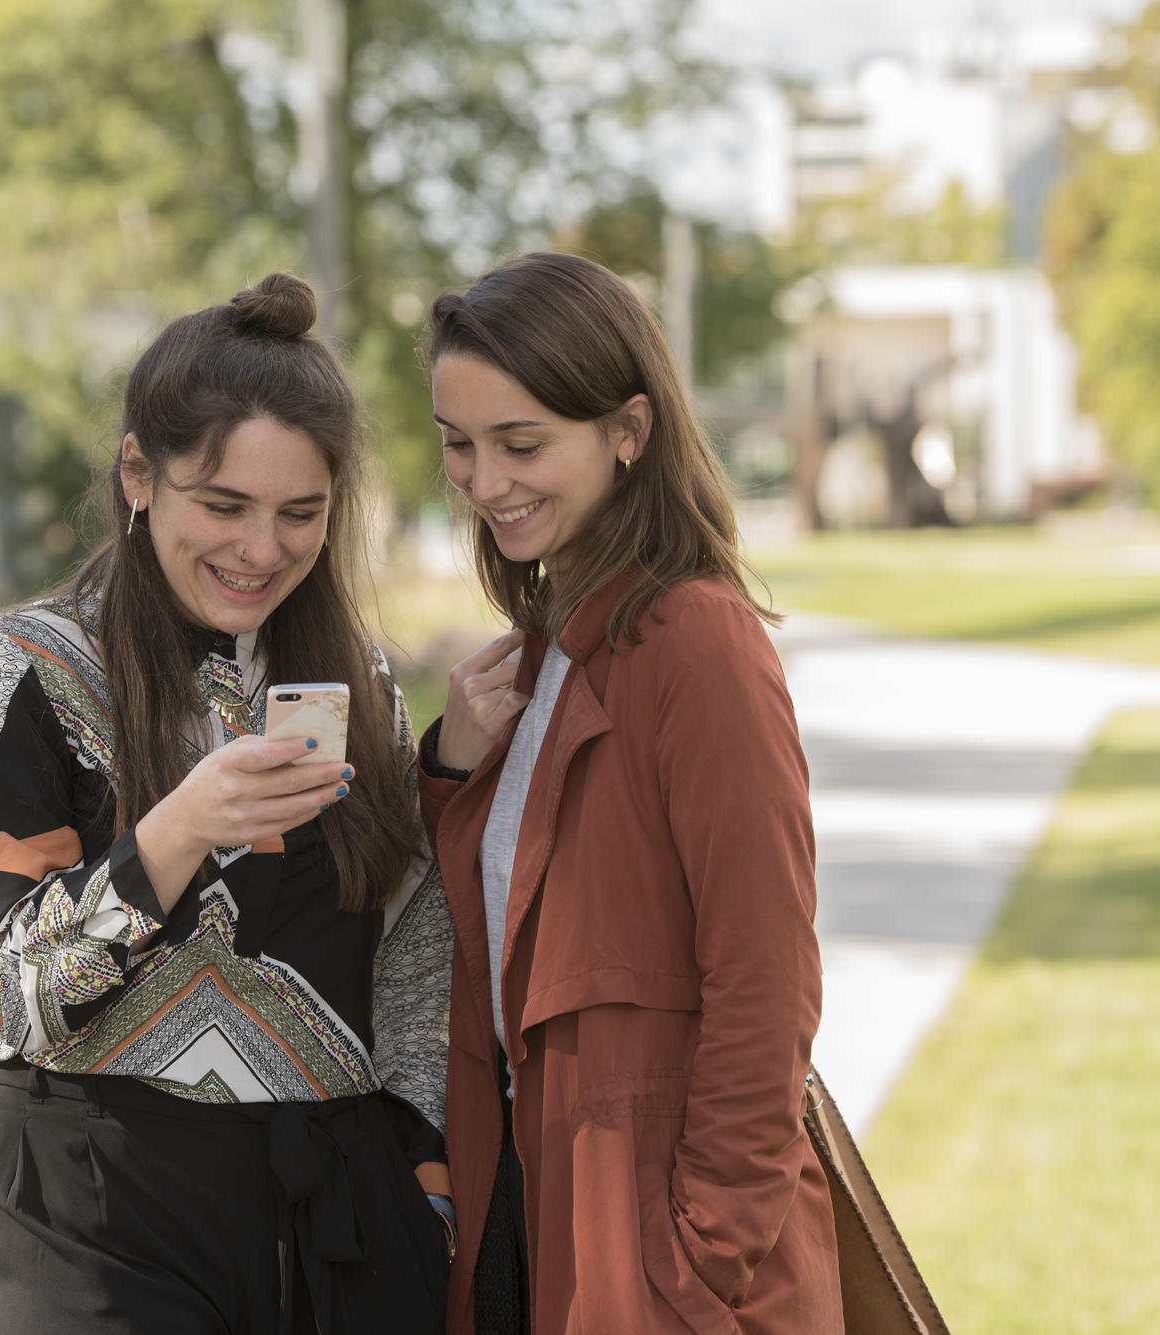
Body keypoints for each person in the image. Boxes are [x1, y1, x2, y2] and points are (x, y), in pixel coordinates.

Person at [0, 273, 455, 1334]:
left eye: (299, 514)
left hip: (337, 1218)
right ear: (137, 473)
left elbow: (410, 952)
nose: (260, 551)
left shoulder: (355, 682)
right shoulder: (18, 666)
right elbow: (12, 998)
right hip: (93, 1208)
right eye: (223, 506)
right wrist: (173, 831)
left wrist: (423, 1182)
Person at [414, 252, 846, 1335]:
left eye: (521, 444)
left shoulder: (693, 640)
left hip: (666, 1265)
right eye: (458, 446)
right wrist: (454, 774)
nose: (484, 480)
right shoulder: (547, 652)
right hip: (541, 1225)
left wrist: (702, 1255)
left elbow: (765, 972)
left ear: (627, 431)